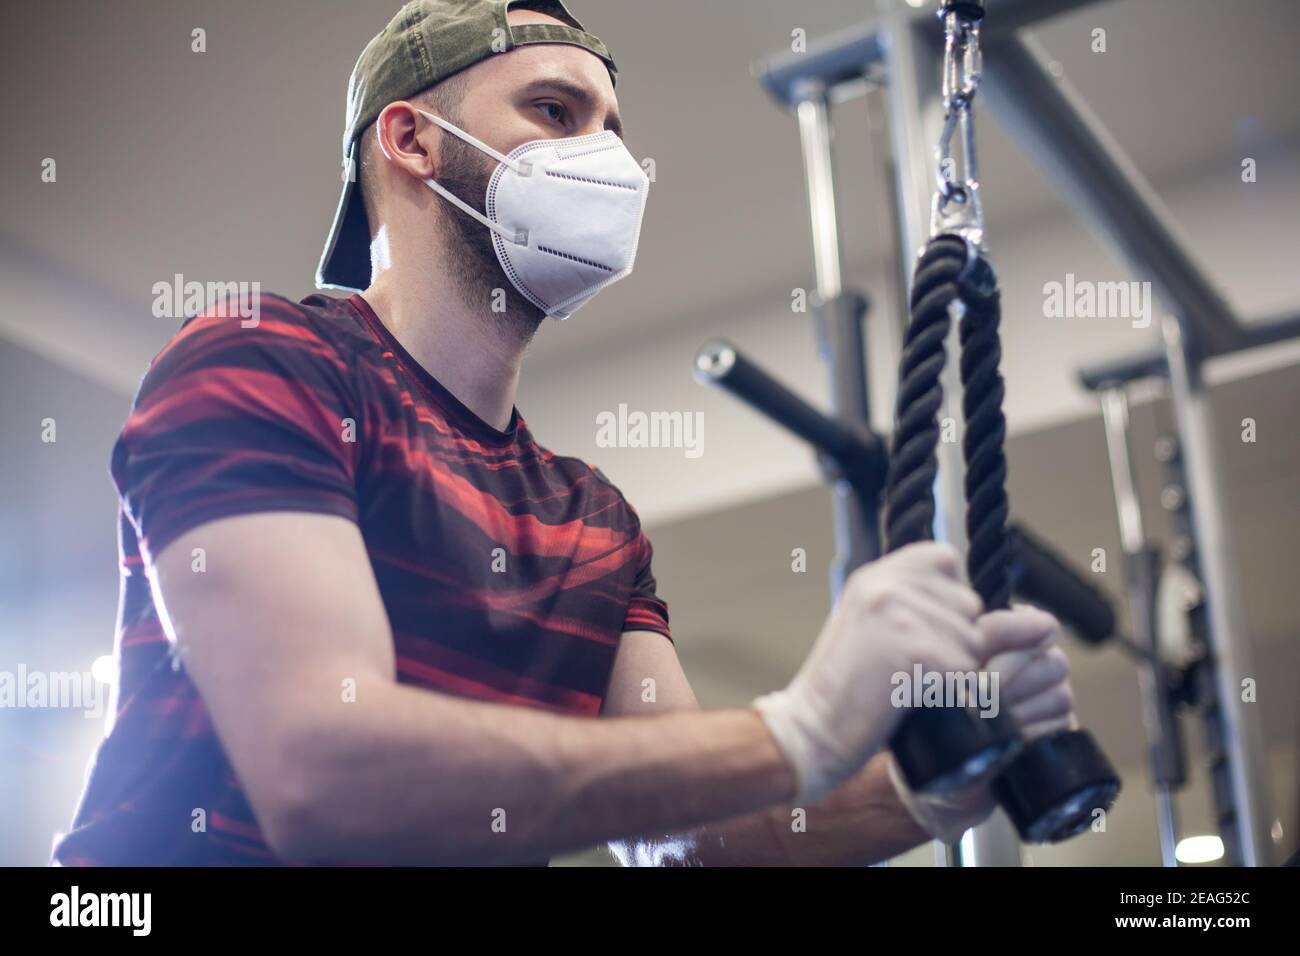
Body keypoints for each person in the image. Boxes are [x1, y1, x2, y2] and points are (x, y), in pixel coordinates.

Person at [54, 0, 1077, 866]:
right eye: (555, 110)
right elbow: (325, 769)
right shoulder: (268, 357)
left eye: (612, 129)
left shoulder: (590, 516)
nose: (609, 161)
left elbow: (698, 829)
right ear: (409, 140)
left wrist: (923, 787)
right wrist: (796, 724)